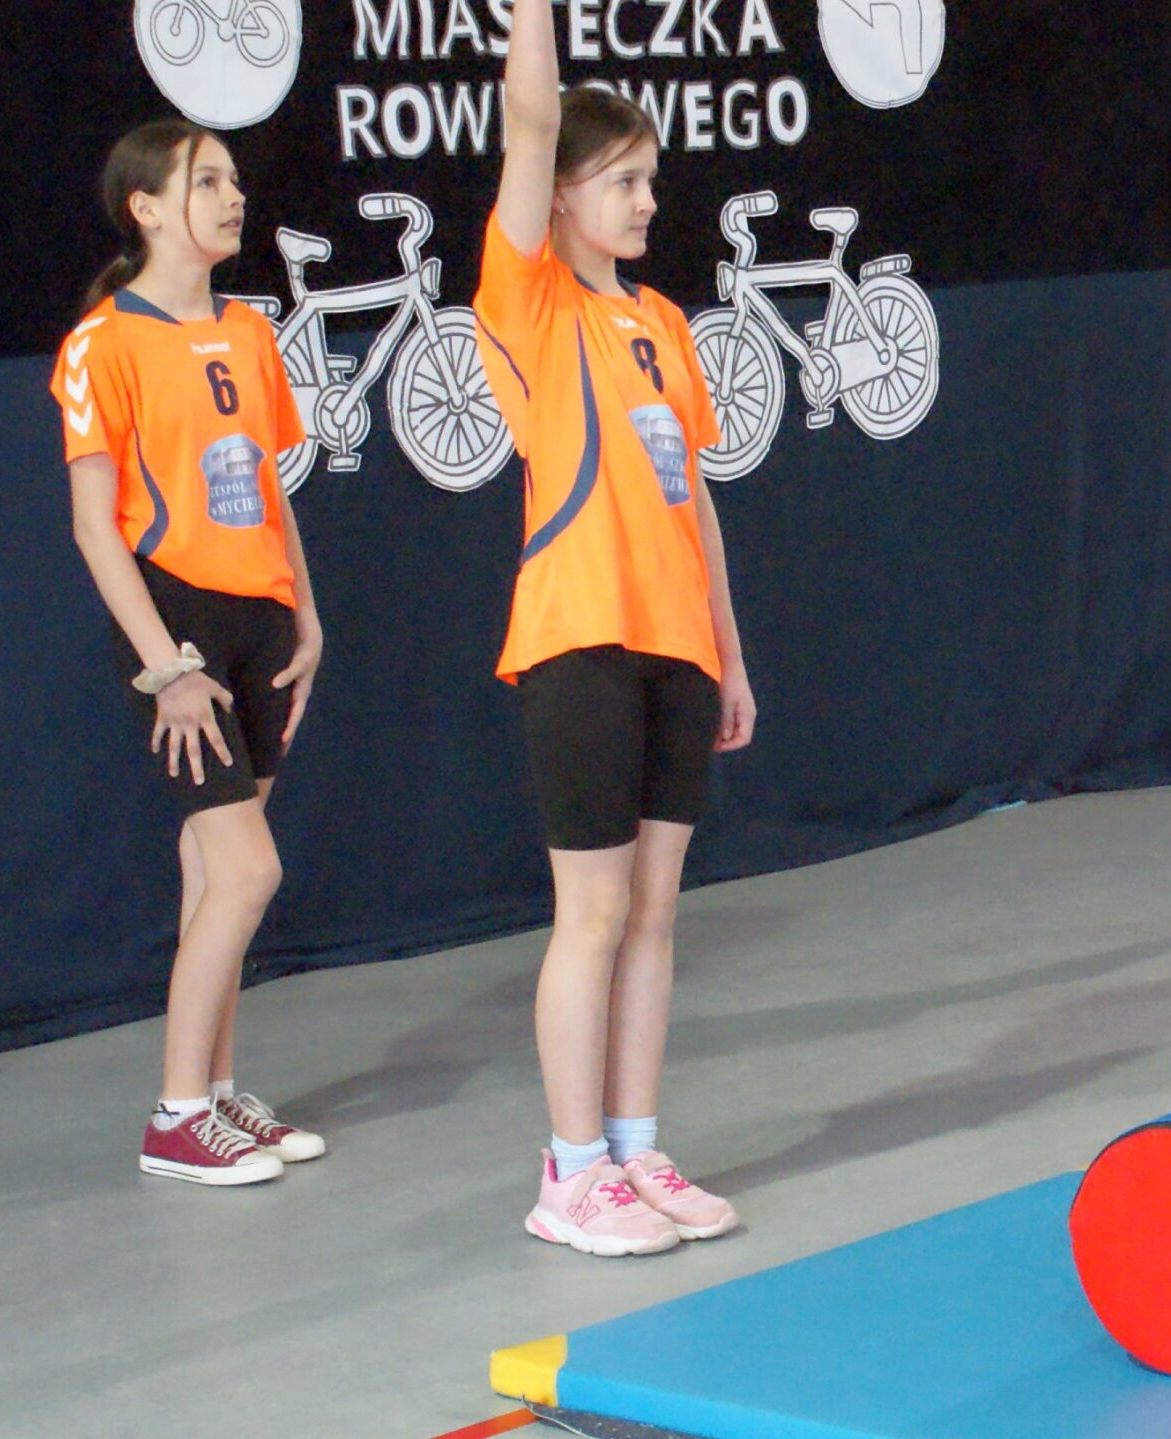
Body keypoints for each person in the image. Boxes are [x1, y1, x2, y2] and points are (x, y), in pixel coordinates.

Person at [480, 3, 754, 1255]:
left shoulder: (665, 323)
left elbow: (694, 497)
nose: (648, 202)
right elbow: (529, 120)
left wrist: (728, 653)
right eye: (624, 181)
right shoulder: (530, 302)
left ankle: (637, 1149)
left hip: (675, 648)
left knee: (654, 915)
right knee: (588, 915)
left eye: (651, 180)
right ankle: (571, 1168)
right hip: (578, 639)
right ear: (564, 193)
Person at [53, 120, 329, 1184]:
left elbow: (268, 486)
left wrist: (307, 617)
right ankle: (175, 1116)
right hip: (177, 623)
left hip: (261, 618)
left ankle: (214, 1092)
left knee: (212, 865)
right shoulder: (104, 341)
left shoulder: (250, 330)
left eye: (233, 179)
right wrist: (165, 664)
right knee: (250, 867)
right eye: (205, 180)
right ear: (148, 208)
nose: (232, 196)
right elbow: (95, 527)